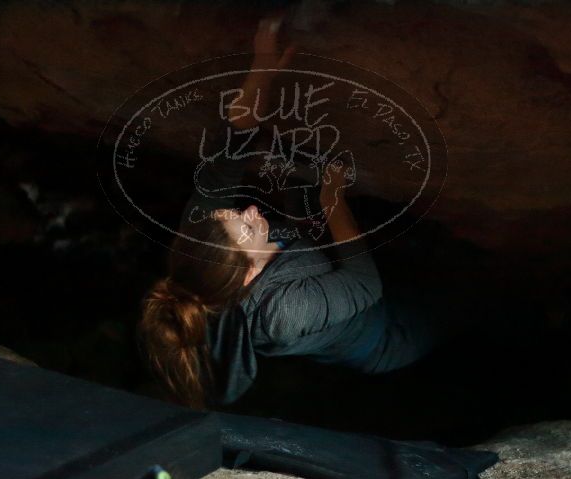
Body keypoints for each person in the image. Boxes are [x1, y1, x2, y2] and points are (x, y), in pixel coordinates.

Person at [139, 17, 434, 409]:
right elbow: (364, 283)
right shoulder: (281, 314)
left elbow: (232, 147)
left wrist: (262, 68)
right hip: (385, 334)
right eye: (249, 227)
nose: (252, 210)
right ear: (251, 272)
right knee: (467, 305)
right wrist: (333, 200)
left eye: (234, 215)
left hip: (332, 269)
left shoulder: (200, 238)